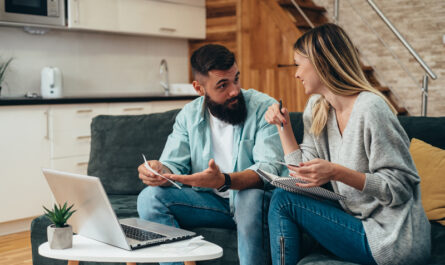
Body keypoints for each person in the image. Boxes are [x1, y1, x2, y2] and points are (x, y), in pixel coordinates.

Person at [264, 23, 431, 265]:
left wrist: (336, 172)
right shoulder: (317, 108)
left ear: (322, 62)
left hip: (393, 239)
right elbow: (301, 175)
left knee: (284, 201)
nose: (296, 73)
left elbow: (401, 187)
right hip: (359, 224)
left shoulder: (371, 108)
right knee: (282, 195)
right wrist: (283, 127)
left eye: (299, 64)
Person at [137, 44, 285, 265]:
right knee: (149, 198)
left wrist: (225, 181)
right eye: (222, 85)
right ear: (200, 88)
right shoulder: (188, 115)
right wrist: (160, 172)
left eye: (236, 79)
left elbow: (268, 170)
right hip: (210, 203)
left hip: (252, 199)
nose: (234, 90)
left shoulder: (264, 108)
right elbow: (172, 165)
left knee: (249, 196)